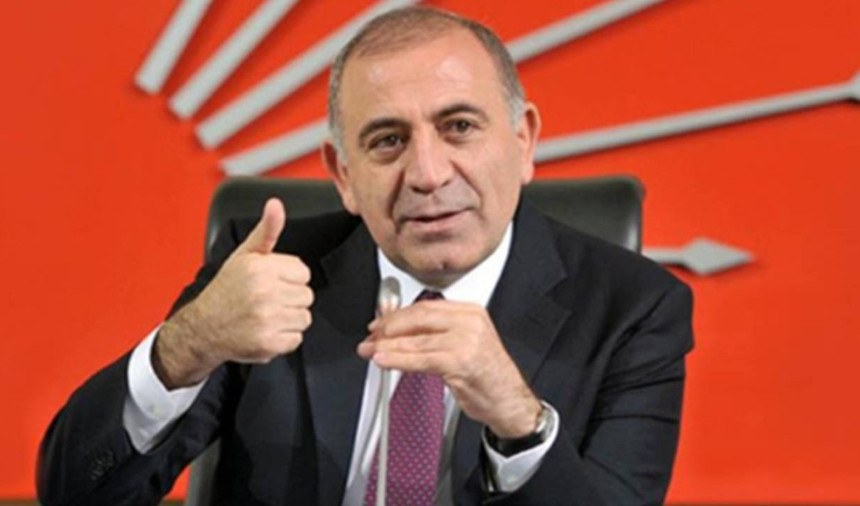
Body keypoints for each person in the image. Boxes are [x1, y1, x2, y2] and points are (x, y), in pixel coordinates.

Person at [37, 7, 693, 505]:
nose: (428, 174)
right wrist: (187, 344)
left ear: (523, 142)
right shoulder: (267, 270)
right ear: (343, 174)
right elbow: (73, 492)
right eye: (387, 141)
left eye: (459, 127)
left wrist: (518, 419)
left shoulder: (634, 307)